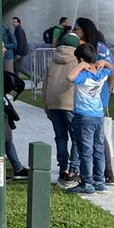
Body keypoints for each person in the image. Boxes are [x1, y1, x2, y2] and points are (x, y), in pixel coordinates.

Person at [65, 42, 112, 195]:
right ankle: (99, 181)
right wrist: (105, 62)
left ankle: (87, 183)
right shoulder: (101, 72)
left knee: (85, 151)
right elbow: (111, 70)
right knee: (98, 149)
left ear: (81, 59)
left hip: (83, 116)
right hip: (98, 115)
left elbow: (70, 77)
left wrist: (81, 66)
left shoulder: (84, 75)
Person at [43, 32, 80, 183]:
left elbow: (44, 84)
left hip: (53, 102)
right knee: (76, 137)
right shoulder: (78, 61)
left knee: (60, 137)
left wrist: (46, 105)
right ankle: (74, 169)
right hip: (71, 103)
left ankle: (62, 168)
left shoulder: (51, 61)